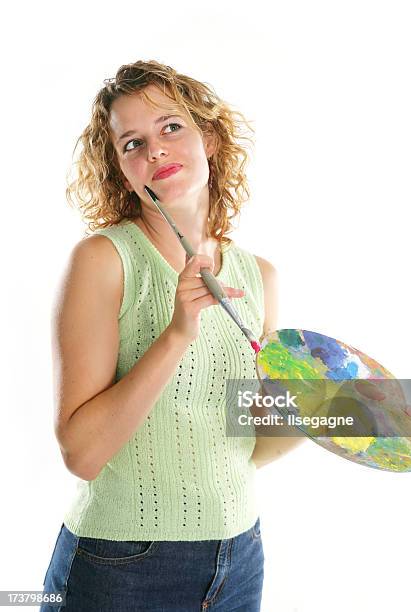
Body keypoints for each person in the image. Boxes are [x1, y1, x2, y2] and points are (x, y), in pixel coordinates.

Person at [40, 59, 299, 612]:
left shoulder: (260, 277)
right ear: (120, 169)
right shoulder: (105, 261)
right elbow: (81, 453)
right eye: (132, 142)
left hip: (239, 556)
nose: (153, 150)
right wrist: (178, 333)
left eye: (170, 128)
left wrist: (322, 406)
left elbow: (243, 445)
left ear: (208, 136)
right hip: (122, 564)